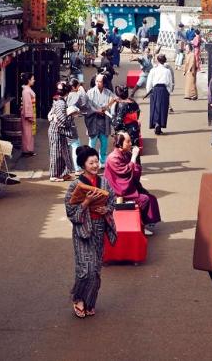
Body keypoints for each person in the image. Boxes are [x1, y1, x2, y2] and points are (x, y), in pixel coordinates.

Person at [64, 146, 117, 318]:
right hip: (82, 230)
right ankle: (78, 298)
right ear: (83, 165)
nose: (95, 165)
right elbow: (71, 212)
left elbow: (112, 199)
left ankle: (89, 301)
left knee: (95, 269)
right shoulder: (75, 185)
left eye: (97, 161)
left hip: (99, 228)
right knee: (84, 269)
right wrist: (86, 202)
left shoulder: (104, 182)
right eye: (91, 162)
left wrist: (106, 209)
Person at [105, 132, 161, 236]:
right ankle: (141, 225)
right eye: (128, 141)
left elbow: (134, 173)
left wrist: (134, 159)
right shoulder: (113, 158)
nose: (130, 143)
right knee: (144, 199)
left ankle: (145, 223)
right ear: (120, 143)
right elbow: (125, 173)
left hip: (127, 187)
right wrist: (134, 157)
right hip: (118, 191)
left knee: (151, 197)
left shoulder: (126, 153)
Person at [47, 82, 76, 182]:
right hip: (56, 131)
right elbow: (63, 121)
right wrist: (71, 115)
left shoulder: (57, 100)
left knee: (63, 152)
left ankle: (64, 173)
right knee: (56, 153)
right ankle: (54, 175)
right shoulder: (61, 103)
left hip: (58, 130)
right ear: (67, 93)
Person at [85, 73, 117, 155]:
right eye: (96, 81)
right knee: (92, 144)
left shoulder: (108, 92)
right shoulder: (90, 92)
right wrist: (96, 110)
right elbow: (87, 105)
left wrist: (108, 105)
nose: (97, 83)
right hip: (93, 122)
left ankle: (102, 162)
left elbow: (114, 99)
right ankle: (90, 160)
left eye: (100, 82)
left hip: (104, 122)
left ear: (104, 83)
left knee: (104, 144)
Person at [146, 54, 174, 135]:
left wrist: (149, 91)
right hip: (164, 89)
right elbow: (170, 83)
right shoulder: (167, 71)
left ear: (157, 61)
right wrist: (168, 91)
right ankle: (160, 125)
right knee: (163, 108)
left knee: (155, 107)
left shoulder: (153, 70)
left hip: (155, 89)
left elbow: (149, 82)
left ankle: (155, 123)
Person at [66, 78, 89, 172]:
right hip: (70, 123)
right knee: (75, 144)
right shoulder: (75, 95)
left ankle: (67, 168)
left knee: (65, 146)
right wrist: (82, 90)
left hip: (61, 123)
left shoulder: (65, 95)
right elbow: (84, 103)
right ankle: (77, 168)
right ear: (74, 87)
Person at [20, 73, 37, 157]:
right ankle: (26, 150)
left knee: (29, 133)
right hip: (27, 114)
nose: (34, 80)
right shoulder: (26, 91)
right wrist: (29, 115)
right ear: (28, 80)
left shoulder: (27, 89)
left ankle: (29, 149)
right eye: (32, 79)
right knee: (27, 133)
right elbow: (27, 105)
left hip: (30, 112)